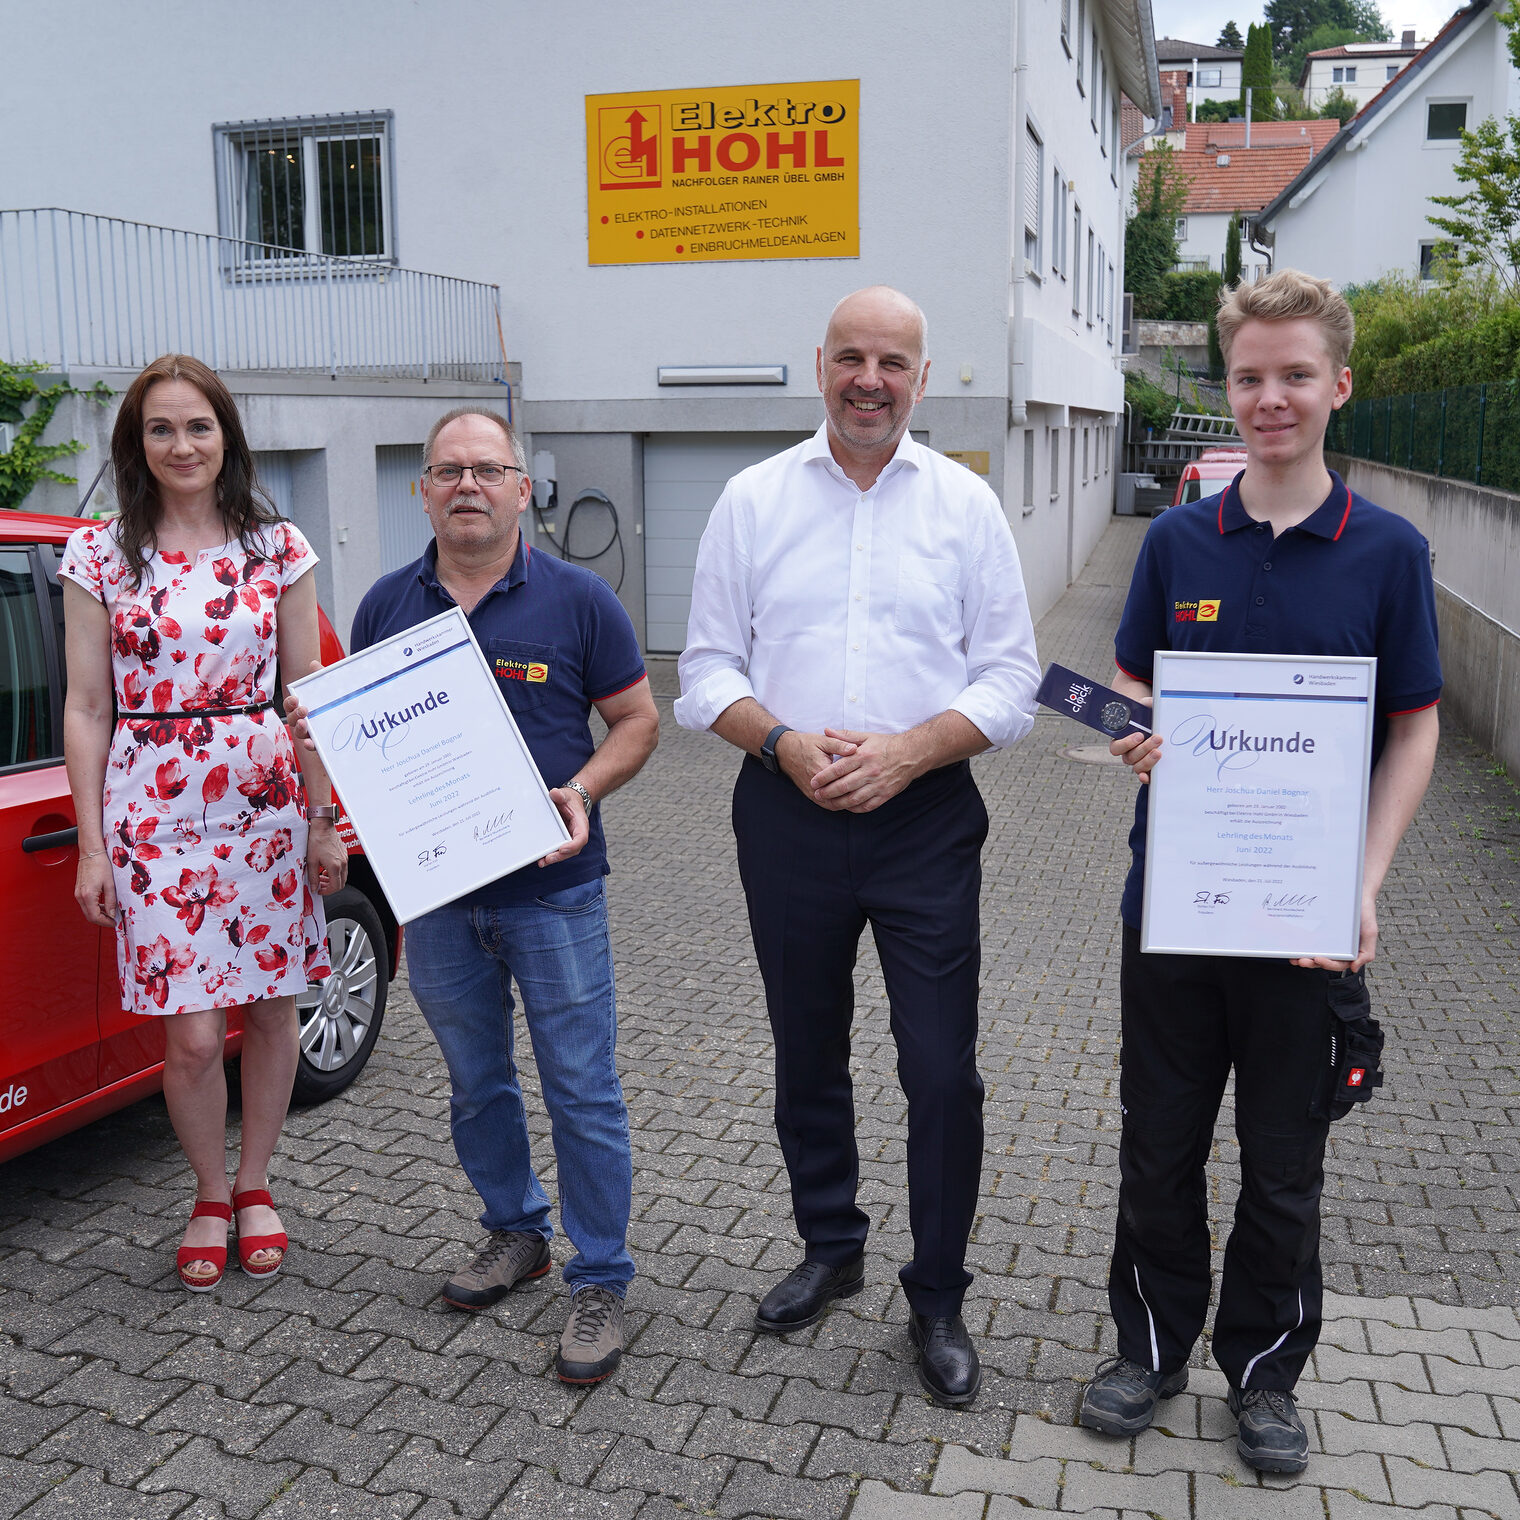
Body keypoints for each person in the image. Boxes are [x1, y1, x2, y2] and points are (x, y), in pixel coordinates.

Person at [1079, 270, 1441, 1473]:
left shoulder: (1387, 551)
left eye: (1293, 375)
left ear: (1337, 384)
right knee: (1159, 1144)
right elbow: (1129, 676)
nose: (1269, 397)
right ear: (1224, 389)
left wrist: (1364, 881)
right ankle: (1146, 1345)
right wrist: (1130, 726)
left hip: (1300, 925)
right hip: (1176, 910)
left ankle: (1263, 1370)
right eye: (1248, 377)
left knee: (1284, 1162)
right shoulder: (1178, 537)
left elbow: (1411, 726)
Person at [675, 286, 1040, 1407]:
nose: (869, 379)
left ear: (922, 379)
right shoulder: (749, 499)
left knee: (940, 1069)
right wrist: (781, 743)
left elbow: (1012, 679)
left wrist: (908, 750)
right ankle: (830, 1247)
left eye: (892, 361)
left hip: (923, 817)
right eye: (850, 358)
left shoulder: (966, 506)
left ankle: (935, 1291)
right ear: (818, 364)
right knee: (804, 1048)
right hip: (784, 812)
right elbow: (701, 673)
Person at [338, 408, 657, 1385]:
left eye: (487, 469)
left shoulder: (578, 600)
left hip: (553, 893)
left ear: (523, 487)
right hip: (436, 902)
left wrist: (585, 788)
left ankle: (598, 1273)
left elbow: (637, 719)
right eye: (448, 470)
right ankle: (514, 1230)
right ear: (421, 489)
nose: (466, 484)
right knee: (476, 1082)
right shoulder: (385, 607)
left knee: (580, 1086)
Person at [62, 354, 346, 1293]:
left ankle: (256, 1185)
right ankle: (206, 1190)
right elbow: (88, 707)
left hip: (261, 799)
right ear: (136, 444)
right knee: (189, 1033)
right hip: (151, 807)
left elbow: (307, 694)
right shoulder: (99, 554)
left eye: (198, 426)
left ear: (226, 436)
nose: (181, 445)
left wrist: (320, 819)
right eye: (160, 428)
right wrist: (94, 845)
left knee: (270, 1009)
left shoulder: (278, 549)